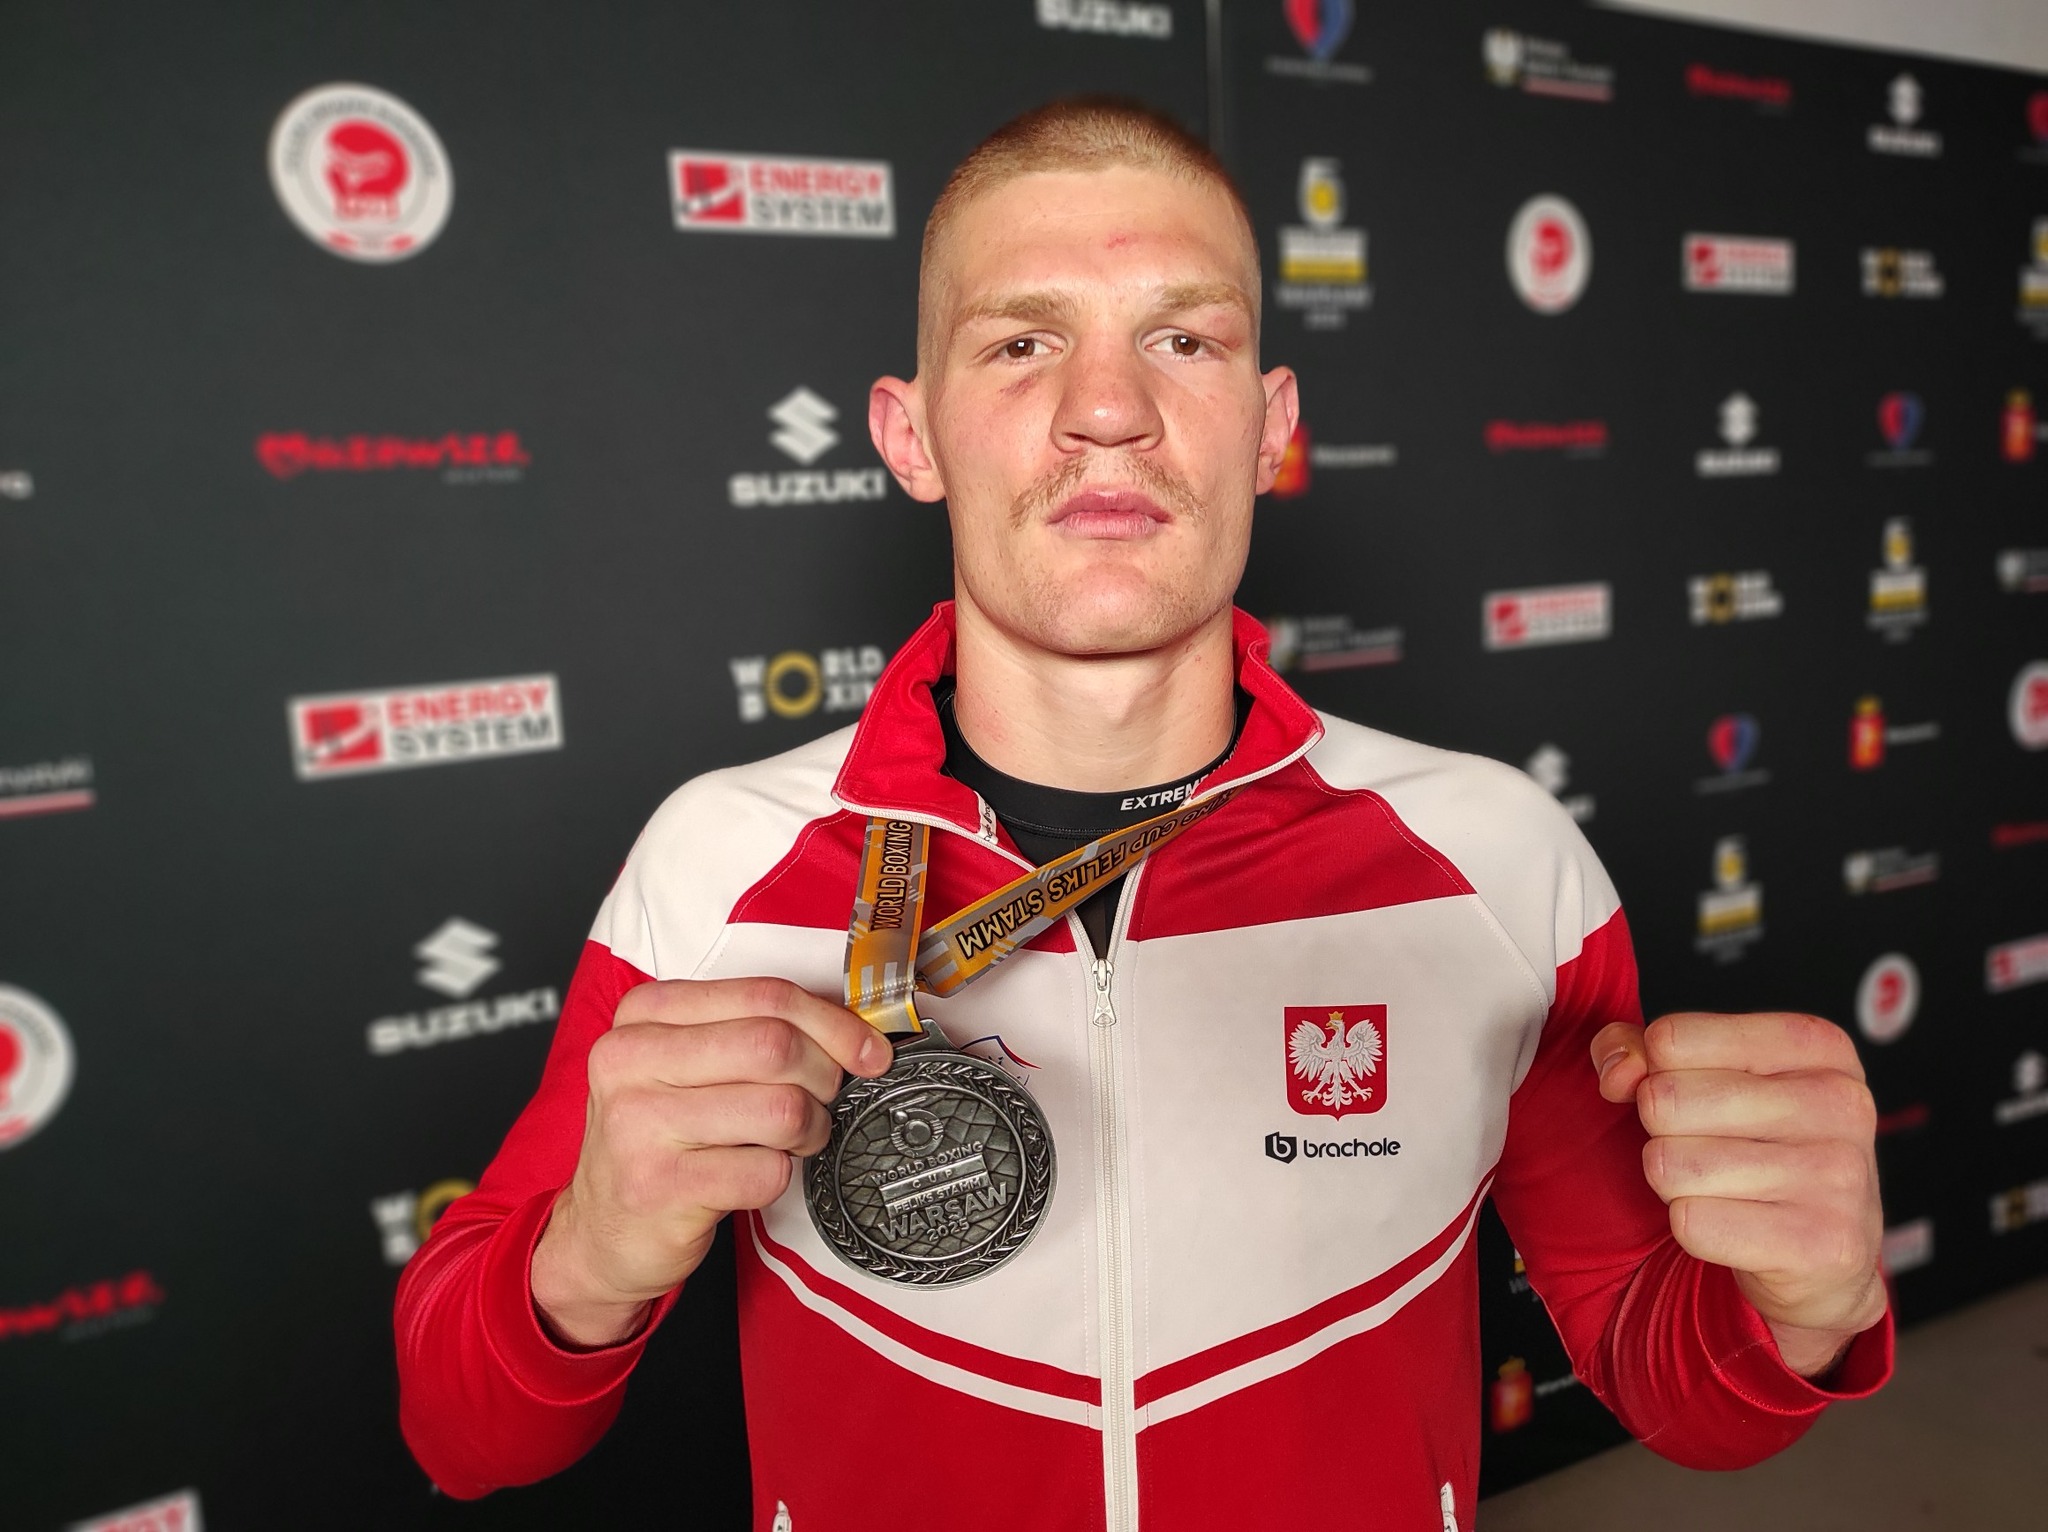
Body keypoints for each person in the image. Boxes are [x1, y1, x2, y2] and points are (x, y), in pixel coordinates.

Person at [394, 99, 1891, 1530]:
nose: (1106, 411)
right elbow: (465, 1436)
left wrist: (1803, 1314)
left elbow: (1675, 1382)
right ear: (911, 438)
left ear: (1269, 424)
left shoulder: (1498, 860)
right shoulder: (715, 867)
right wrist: (587, 1259)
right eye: (1021, 343)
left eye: (1184, 339)